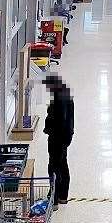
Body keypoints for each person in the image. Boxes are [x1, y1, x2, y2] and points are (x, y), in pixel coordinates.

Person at [43, 74, 74, 208]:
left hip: (57, 138)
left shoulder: (58, 99)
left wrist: (49, 126)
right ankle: (63, 196)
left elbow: (57, 119)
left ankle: (54, 199)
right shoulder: (67, 97)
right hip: (65, 137)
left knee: (53, 166)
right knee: (63, 164)